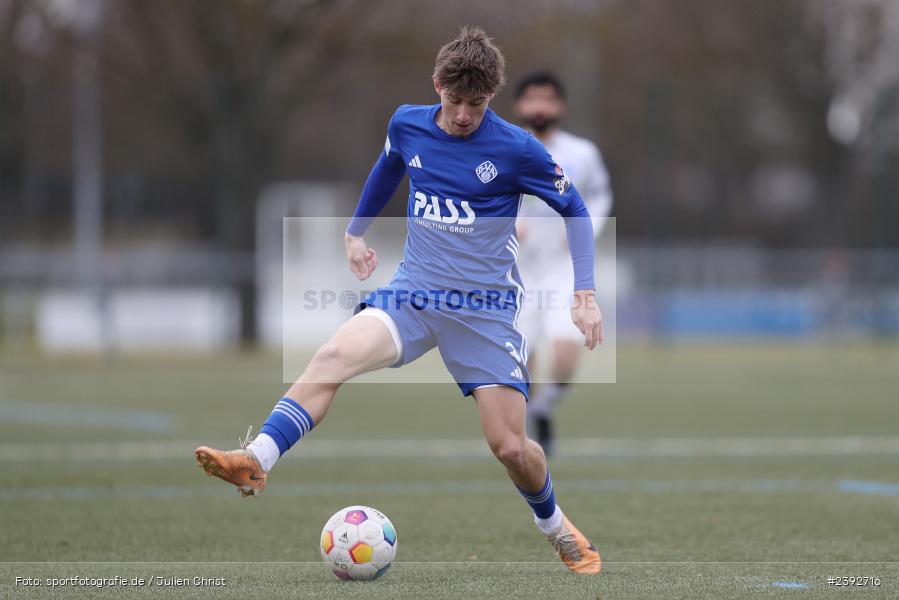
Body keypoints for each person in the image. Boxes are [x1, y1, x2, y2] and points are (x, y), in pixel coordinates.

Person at [194, 27, 603, 575]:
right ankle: (257, 459)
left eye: (476, 105)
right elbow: (388, 167)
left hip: (484, 313)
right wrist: (355, 232)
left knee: (509, 447)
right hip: (413, 293)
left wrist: (584, 295)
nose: (463, 115)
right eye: (455, 101)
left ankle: (553, 523)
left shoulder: (516, 148)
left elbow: (574, 209)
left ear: (492, 98)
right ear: (437, 86)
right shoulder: (407, 123)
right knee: (331, 358)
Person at [513, 72, 613, 457]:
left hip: (563, 267)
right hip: (517, 268)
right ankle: (528, 426)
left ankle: (543, 409)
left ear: (561, 106)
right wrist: (506, 229)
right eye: (532, 99)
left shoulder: (581, 153)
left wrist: (584, 232)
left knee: (567, 352)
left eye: (548, 99)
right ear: (520, 106)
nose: (540, 106)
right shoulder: (505, 147)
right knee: (523, 355)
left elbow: (600, 197)